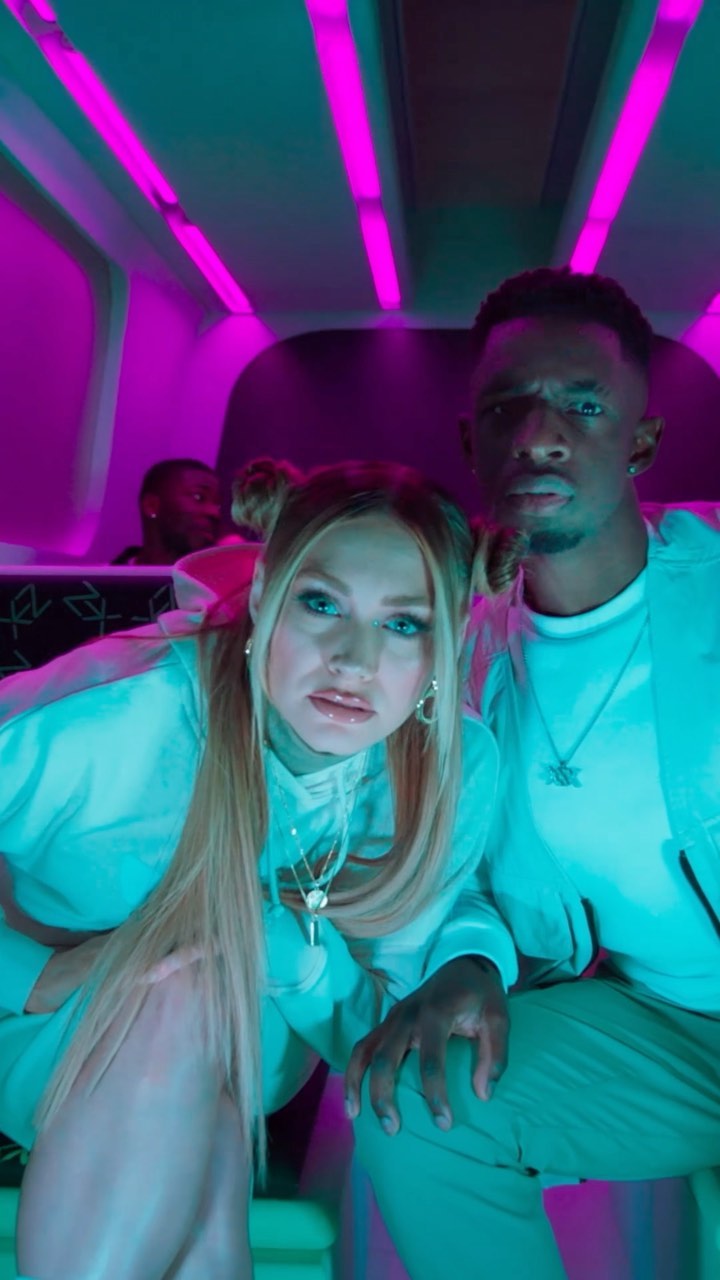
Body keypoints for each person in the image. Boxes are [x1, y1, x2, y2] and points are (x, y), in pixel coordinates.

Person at [0, 459, 521, 1280]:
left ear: (448, 637)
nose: (354, 661)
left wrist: (282, 948)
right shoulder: (118, 713)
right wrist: (35, 974)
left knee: (198, 990)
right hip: (39, 1029)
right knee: (189, 1026)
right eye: (322, 605)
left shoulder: (448, 767)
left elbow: (368, 1028)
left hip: (256, 1055)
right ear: (268, 592)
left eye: (403, 624)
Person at [348, 268, 720, 1279]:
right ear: (471, 441)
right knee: (416, 1095)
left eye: (583, 406)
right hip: (668, 1029)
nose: (539, 434)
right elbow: (453, 860)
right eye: (506, 407)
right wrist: (469, 962)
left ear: (642, 441)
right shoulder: (459, 652)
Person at [112, 458, 221, 565]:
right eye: (198, 497)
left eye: (218, 505)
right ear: (151, 506)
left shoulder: (219, 576)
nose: (214, 512)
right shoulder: (107, 576)